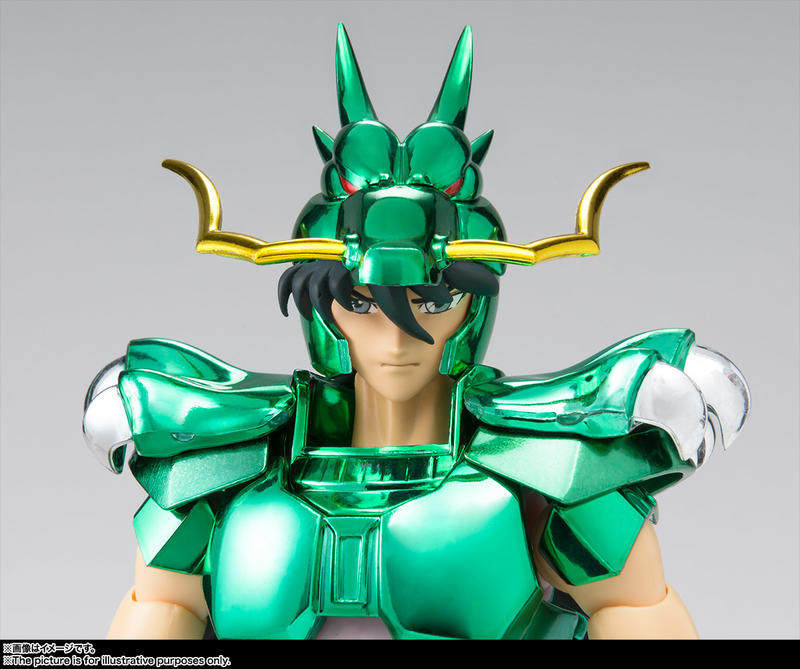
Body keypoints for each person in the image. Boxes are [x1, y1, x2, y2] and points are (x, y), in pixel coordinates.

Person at [82, 24, 750, 640]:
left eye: (430, 302)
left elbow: (638, 611)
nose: (396, 338)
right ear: (326, 309)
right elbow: (154, 617)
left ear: (470, 308)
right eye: (363, 302)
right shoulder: (223, 475)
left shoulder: (540, 480)